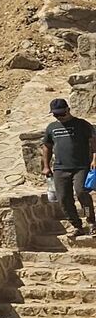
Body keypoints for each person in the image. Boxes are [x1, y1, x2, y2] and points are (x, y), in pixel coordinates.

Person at [40, 97, 94, 236]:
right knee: (63, 197)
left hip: (81, 166)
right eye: (56, 114)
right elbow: (47, 146)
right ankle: (76, 225)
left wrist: (95, 159)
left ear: (68, 110)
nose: (59, 117)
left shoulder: (82, 124)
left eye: (62, 114)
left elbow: (94, 142)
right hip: (60, 168)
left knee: (81, 192)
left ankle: (92, 221)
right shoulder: (52, 128)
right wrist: (46, 166)